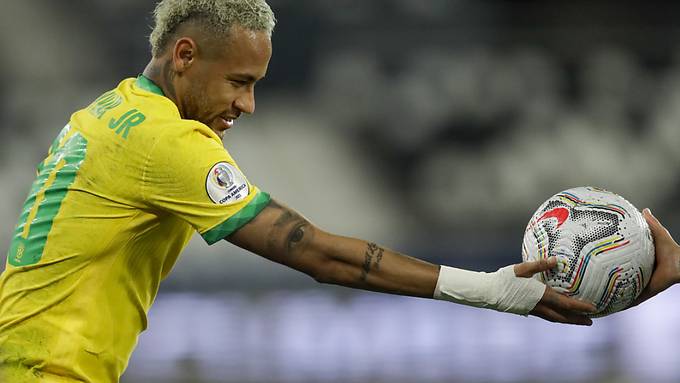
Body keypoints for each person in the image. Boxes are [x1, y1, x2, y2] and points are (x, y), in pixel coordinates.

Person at [0, 1, 674, 382]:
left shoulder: (108, 112)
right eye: (239, 81)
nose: (250, 104)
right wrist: (494, 290)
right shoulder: (164, 141)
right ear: (184, 57)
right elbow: (315, 253)